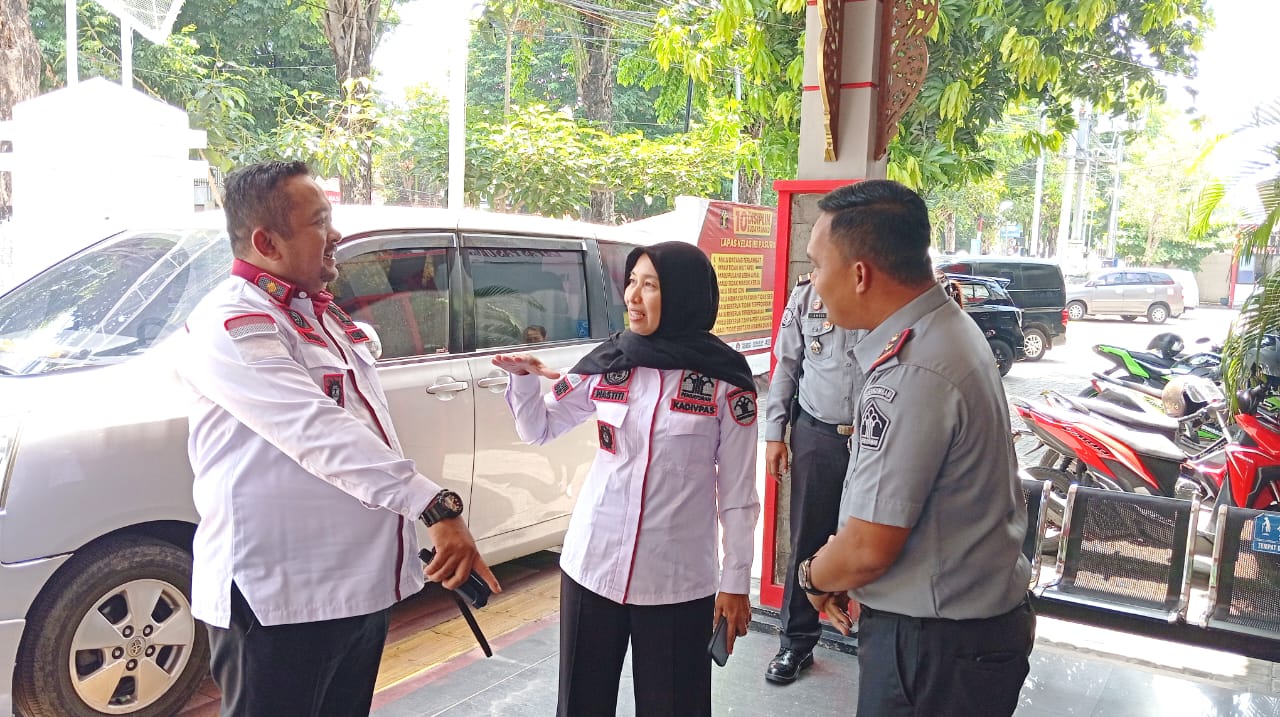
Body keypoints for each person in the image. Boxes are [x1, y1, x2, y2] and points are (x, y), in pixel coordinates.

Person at [178, 161, 500, 717]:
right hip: (280, 600)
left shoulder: (319, 315)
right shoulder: (233, 322)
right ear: (266, 242)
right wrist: (432, 504)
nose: (336, 235)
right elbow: (315, 429)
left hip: (354, 590)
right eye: (320, 222)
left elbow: (363, 425)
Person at [796, 180, 1035, 717]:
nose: (812, 284)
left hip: (937, 648)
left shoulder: (914, 369)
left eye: (816, 265)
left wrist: (813, 577)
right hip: (964, 634)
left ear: (860, 274)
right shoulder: (946, 330)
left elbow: (867, 549)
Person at [493, 241, 760, 717]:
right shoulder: (611, 361)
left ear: (682, 294)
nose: (632, 296)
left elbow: (739, 494)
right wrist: (524, 380)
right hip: (592, 566)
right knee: (580, 704)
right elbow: (540, 429)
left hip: (676, 581)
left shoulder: (726, 382)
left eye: (650, 285)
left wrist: (736, 582)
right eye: (632, 282)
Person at [762, 274, 866, 684]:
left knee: (872, 538)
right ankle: (796, 642)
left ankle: (876, 644)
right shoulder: (808, 295)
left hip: (875, 440)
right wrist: (775, 433)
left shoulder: (884, 290)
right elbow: (786, 366)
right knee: (807, 537)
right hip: (817, 434)